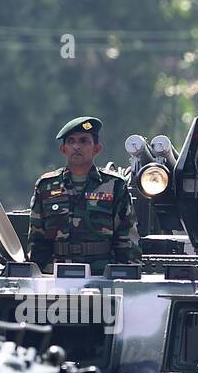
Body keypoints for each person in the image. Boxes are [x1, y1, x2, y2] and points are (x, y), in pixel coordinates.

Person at [27, 116, 142, 275]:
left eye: (84, 141)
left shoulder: (114, 185)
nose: (76, 146)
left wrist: (128, 277)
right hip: (54, 274)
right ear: (63, 149)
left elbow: (126, 238)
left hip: (101, 274)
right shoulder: (46, 186)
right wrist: (37, 276)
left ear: (97, 148)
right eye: (71, 141)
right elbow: (36, 239)